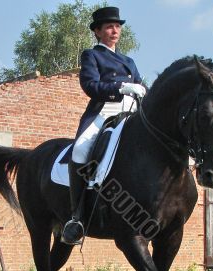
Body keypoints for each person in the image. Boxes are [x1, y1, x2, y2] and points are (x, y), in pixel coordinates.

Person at [61, 6, 146, 245]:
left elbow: (140, 85)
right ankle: (76, 218)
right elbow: (91, 86)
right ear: (98, 32)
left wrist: (143, 92)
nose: (114, 30)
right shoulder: (91, 55)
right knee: (79, 150)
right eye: (109, 26)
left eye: (117, 26)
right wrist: (120, 88)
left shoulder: (129, 60)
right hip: (104, 111)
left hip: (131, 112)